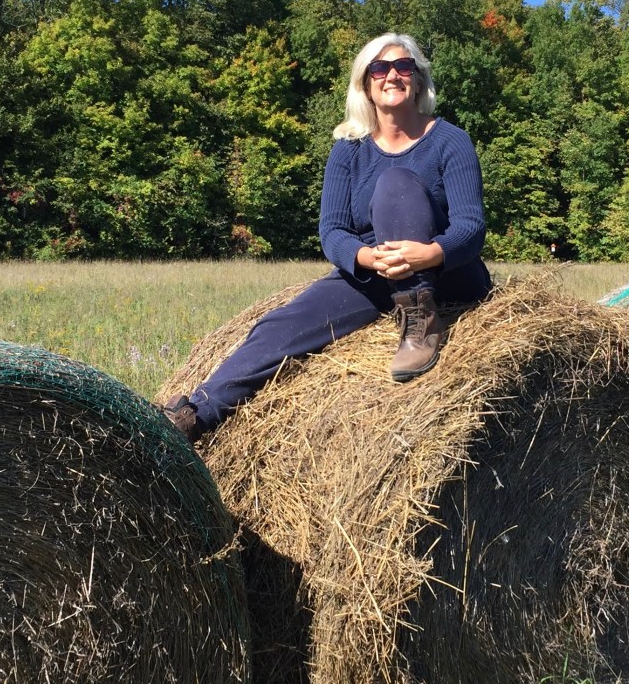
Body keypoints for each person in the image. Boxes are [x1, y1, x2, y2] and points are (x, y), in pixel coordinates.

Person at [163, 32, 492, 442]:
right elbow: (332, 231)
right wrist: (367, 259)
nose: (392, 75)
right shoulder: (348, 150)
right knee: (277, 327)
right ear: (365, 84)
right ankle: (194, 416)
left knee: (395, 183)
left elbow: (470, 226)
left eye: (403, 66)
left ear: (419, 79)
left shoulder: (450, 141)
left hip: (447, 272)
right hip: (376, 270)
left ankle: (420, 320)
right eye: (380, 68)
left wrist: (428, 254)